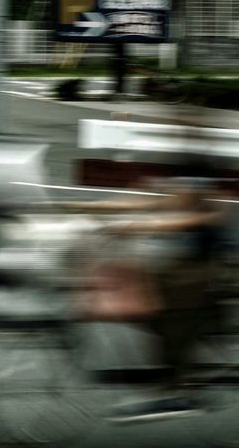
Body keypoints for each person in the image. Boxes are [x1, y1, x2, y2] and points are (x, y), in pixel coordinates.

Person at [67, 175, 229, 423]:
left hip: (203, 276)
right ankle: (175, 373)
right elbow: (142, 203)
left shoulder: (210, 199)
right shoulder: (179, 189)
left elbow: (184, 219)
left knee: (170, 313)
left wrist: (135, 227)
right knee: (146, 292)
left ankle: (175, 390)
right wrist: (86, 207)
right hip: (181, 269)